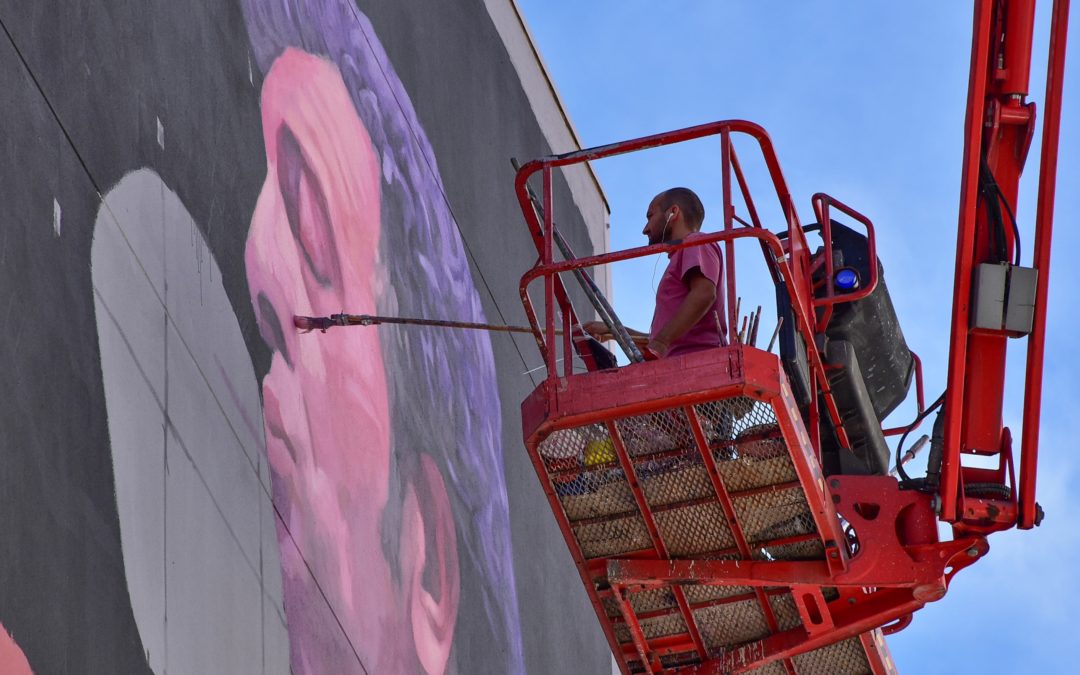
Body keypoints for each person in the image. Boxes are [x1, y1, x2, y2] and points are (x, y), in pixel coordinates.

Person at [586, 187, 727, 358]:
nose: (645, 229)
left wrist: (661, 343)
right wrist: (612, 330)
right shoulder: (683, 255)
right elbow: (658, 340)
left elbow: (704, 293)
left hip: (696, 362)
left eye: (650, 216)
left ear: (672, 213)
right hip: (683, 362)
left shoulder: (695, 242)